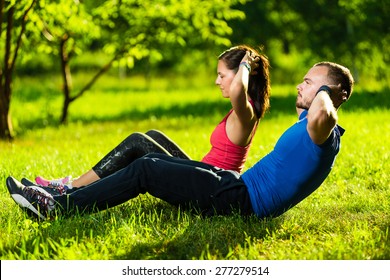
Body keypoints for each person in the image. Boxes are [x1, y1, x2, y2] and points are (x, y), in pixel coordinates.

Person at [6, 61, 354, 221]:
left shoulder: (322, 132)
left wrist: (326, 90)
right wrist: (317, 91)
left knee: (145, 168)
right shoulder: (308, 125)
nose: (300, 86)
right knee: (148, 150)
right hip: (234, 185)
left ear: (332, 93)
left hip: (241, 201)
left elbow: (324, 113)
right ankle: (59, 194)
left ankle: (61, 208)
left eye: (310, 83)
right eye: (305, 80)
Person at [28, 45, 271, 195]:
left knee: (137, 142)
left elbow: (239, 88)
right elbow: (237, 86)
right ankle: (80, 185)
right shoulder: (240, 113)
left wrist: (245, 63)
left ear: (239, 74)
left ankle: (73, 187)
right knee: (152, 135)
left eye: (221, 75)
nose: (217, 82)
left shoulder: (246, 113)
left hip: (209, 188)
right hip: (202, 176)